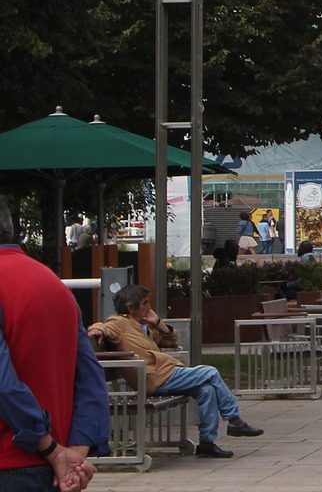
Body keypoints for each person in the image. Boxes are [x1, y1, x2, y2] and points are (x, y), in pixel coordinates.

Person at [1, 196, 109, 490]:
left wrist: (49, 447)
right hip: (48, 470)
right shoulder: (53, 284)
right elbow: (90, 379)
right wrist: (75, 451)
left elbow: (4, 384)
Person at [87, 283, 262, 459]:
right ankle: (234, 419)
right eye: (145, 303)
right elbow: (104, 326)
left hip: (162, 374)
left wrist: (157, 323)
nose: (149, 307)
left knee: (207, 390)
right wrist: (95, 330)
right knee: (210, 372)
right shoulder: (120, 322)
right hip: (153, 377)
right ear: (131, 308)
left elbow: (170, 340)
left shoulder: (143, 326)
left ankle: (207, 443)